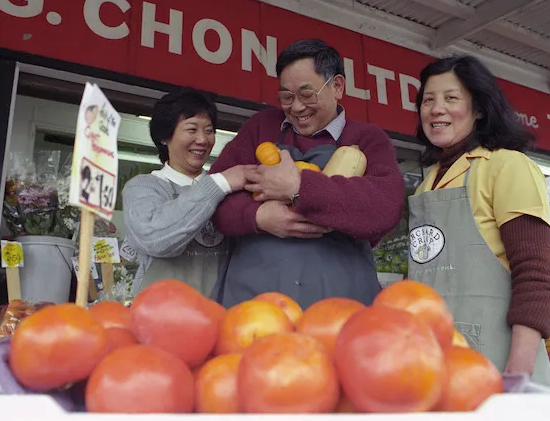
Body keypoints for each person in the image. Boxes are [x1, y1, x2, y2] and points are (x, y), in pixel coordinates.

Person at [209, 39, 405, 309]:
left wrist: (299, 188)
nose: (296, 107)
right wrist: (258, 216)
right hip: (255, 302)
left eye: (306, 94)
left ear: (337, 86)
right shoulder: (260, 127)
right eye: (286, 97)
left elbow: (385, 209)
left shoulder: (368, 139)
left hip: (339, 304)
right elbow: (214, 197)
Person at [407, 55, 550, 385]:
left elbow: (534, 274)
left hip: (499, 361)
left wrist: (517, 375)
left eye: (451, 98)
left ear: (479, 109)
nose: (436, 109)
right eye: (428, 100)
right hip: (435, 364)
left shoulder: (506, 166)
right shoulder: (426, 182)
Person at [122, 88, 255, 297]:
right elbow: (155, 239)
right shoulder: (143, 188)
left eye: (209, 130)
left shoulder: (229, 188)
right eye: (192, 130)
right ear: (164, 137)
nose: (202, 140)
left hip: (220, 318)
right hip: (160, 318)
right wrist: (219, 183)